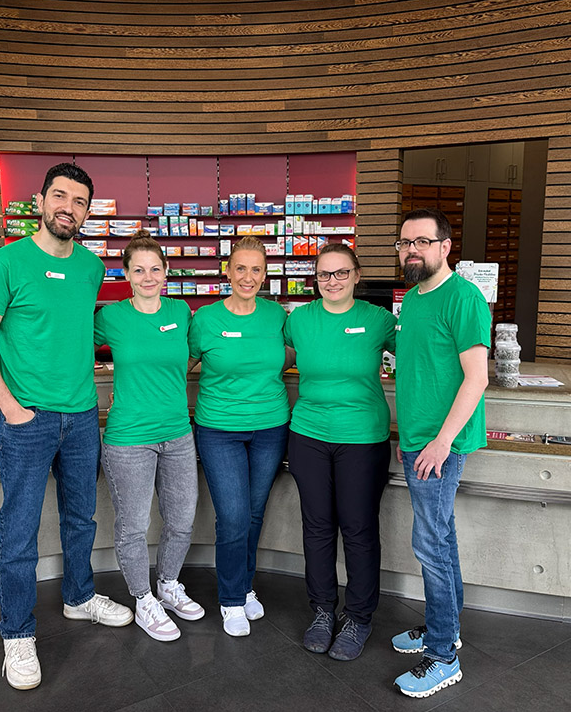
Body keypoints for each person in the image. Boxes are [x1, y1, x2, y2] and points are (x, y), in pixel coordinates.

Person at [0, 163, 132, 691]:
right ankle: (16, 633)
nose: (69, 207)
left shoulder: (90, 267)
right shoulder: (5, 263)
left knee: (81, 517)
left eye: (79, 201)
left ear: (86, 212)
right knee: (19, 531)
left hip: (82, 416)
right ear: (39, 201)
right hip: (28, 420)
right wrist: (14, 411)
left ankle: (80, 597)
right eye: (59, 196)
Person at [388, 208, 490, 698]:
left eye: (422, 242)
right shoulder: (413, 298)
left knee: (430, 543)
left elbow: (477, 377)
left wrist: (442, 441)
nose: (412, 250)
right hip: (417, 440)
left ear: (446, 247)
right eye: (405, 243)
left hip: (437, 445)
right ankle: (443, 628)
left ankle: (443, 655)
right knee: (440, 538)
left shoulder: (463, 298)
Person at [283, 243, 397, 661]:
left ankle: (359, 617)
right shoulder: (300, 320)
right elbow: (273, 359)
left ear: (356, 275)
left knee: (359, 528)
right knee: (316, 527)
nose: (332, 282)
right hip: (309, 434)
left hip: (362, 438)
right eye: (324, 275)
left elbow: (419, 358)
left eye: (340, 273)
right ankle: (322, 612)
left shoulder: (378, 320)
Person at [95, 230, 204, 642]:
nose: (147, 276)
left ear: (167, 271)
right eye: (138, 270)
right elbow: (72, 345)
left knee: (181, 520)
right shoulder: (112, 317)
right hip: (128, 439)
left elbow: (195, 355)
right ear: (125, 273)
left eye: (155, 269)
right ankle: (143, 599)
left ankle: (168, 585)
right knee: (134, 526)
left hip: (178, 433)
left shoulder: (181, 312)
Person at [188, 236, 290, 637]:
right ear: (227, 271)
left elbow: (296, 355)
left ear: (265, 275)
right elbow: (182, 364)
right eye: (241, 268)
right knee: (231, 516)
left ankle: (245, 586)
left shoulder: (276, 316)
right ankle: (231, 599)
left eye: (257, 269)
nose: (248, 277)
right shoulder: (206, 319)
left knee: (252, 513)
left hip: (270, 426)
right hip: (219, 430)